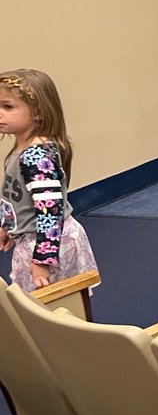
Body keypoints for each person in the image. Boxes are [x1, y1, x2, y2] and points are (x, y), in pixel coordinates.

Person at [0, 69, 97, 291]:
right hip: (32, 238)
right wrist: (8, 226)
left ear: (38, 113)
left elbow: (50, 211)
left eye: (8, 106)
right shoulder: (20, 149)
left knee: (60, 308)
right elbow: (16, 196)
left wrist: (42, 260)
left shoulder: (36, 155)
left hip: (49, 243)